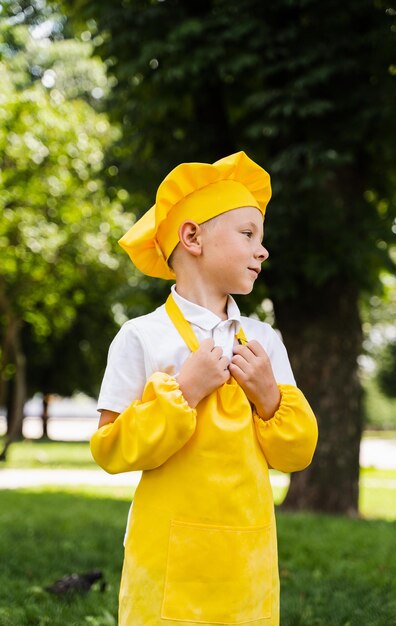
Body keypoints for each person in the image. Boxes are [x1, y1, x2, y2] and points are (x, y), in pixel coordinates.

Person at [90, 151, 318, 626]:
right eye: (248, 234)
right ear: (192, 236)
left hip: (248, 560)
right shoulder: (141, 336)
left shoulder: (264, 342)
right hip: (169, 561)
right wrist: (183, 392)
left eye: (262, 238)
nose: (263, 250)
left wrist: (268, 397)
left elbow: (296, 455)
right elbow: (110, 449)